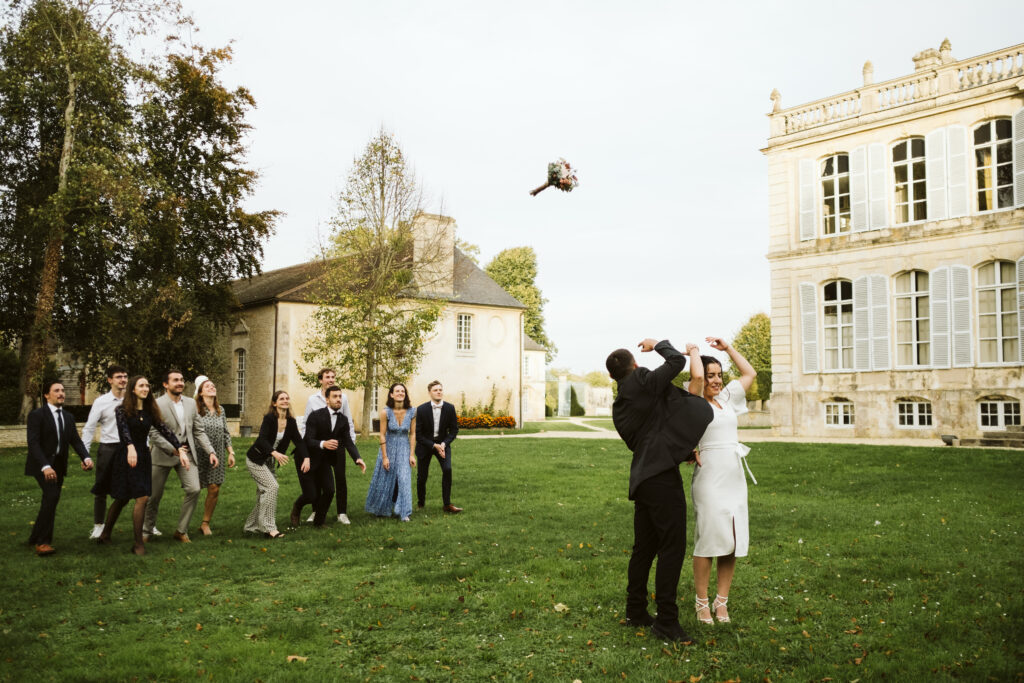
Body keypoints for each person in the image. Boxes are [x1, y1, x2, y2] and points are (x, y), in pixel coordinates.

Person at [606, 338, 712, 643]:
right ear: (635, 366)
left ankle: (636, 610)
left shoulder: (621, 406)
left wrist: (680, 448)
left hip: (643, 479)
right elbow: (676, 364)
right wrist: (659, 344)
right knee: (671, 547)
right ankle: (666, 620)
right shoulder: (642, 382)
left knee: (645, 548)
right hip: (660, 478)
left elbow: (654, 432)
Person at [686, 336, 757, 625]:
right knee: (709, 537)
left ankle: (722, 602)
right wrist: (694, 351)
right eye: (711, 376)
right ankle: (701, 602)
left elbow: (750, 374)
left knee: (732, 539)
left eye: (719, 375)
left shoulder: (727, 399)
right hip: (709, 477)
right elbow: (696, 375)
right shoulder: (692, 399)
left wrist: (727, 348)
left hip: (734, 475)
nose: (715, 380)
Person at [94, 376, 184, 555]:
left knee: (140, 497)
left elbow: (164, 429)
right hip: (126, 456)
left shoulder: (150, 411)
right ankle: (132, 542)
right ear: (133, 389)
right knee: (124, 498)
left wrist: (179, 448)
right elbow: (124, 431)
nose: (145, 388)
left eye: (147, 386)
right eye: (141, 385)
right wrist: (130, 447)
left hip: (142, 456)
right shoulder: (122, 410)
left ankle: (118, 538)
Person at [144, 369, 217, 543]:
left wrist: (211, 451)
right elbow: (153, 433)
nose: (180, 383)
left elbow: (198, 430)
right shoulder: (157, 403)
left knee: (194, 489)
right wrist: (174, 449)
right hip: (162, 454)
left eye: (182, 380)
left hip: (188, 454)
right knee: (153, 496)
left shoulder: (191, 404)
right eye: (175, 380)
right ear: (165, 384)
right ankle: (146, 531)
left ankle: (181, 531)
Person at [25, 381, 93, 556]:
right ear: (47, 395)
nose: (61, 393)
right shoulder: (37, 415)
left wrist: (85, 457)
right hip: (42, 466)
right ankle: (43, 542)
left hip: (59, 466)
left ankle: (35, 536)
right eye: (56, 391)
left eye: (62, 390)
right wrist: (45, 466)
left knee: (51, 499)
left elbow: (75, 441)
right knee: (52, 496)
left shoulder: (68, 417)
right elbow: (33, 443)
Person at [302, 385, 365, 527]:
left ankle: (324, 519)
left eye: (340, 396)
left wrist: (357, 458)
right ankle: (304, 509)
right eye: (335, 397)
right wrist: (323, 443)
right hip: (318, 456)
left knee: (333, 487)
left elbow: (348, 441)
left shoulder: (343, 419)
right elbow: (308, 439)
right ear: (327, 400)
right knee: (318, 490)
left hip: (335, 456)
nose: (338, 400)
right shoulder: (316, 416)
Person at [80, 364, 128, 539]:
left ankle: (146, 526)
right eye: (118, 377)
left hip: (128, 449)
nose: (123, 379)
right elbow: (89, 428)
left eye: (124, 376)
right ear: (110, 380)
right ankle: (99, 525)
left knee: (134, 487)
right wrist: (85, 454)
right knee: (101, 489)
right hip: (108, 448)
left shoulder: (133, 399)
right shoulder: (101, 402)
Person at [247, 390, 303, 538]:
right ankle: (269, 529)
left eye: (287, 398)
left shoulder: (291, 422)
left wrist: (307, 457)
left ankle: (251, 526)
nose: (285, 400)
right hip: (256, 460)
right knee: (272, 487)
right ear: (275, 403)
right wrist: (274, 453)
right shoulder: (269, 418)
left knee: (263, 493)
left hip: (269, 462)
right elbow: (262, 439)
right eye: (281, 398)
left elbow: (298, 440)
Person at [365, 383, 417, 521]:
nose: (400, 393)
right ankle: (382, 507)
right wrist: (385, 457)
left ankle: (404, 512)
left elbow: (412, 434)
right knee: (385, 478)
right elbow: (382, 434)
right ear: (391, 394)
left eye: (403, 391)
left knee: (404, 479)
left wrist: (412, 454)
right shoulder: (385, 412)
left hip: (404, 447)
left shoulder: (412, 411)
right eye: (397, 391)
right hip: (389, 446)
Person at [193, 376, 236, 536]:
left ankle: (205, 523)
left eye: (213, 385)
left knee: (214, 488)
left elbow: (225, 432)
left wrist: (230, 452)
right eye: (207, 386)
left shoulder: (221, 410)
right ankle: (183, 524)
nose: (212, 387)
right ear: (200, 392)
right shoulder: (195, 409)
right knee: (194, 489)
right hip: (198, 453)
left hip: (217, 453)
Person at [415, 381, 461, 513]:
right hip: (425, 445)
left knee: (447, 469)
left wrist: (444, 444)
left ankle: (447, 504)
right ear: (429, 392)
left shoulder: (449, 408)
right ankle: (421, 504)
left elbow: (454, 430)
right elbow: (418, 434)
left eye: (440, 389)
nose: (439, 392)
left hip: (443, 444)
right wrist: (433, 445)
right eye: (435, 390)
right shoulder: (422, 409)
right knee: (422, 476)